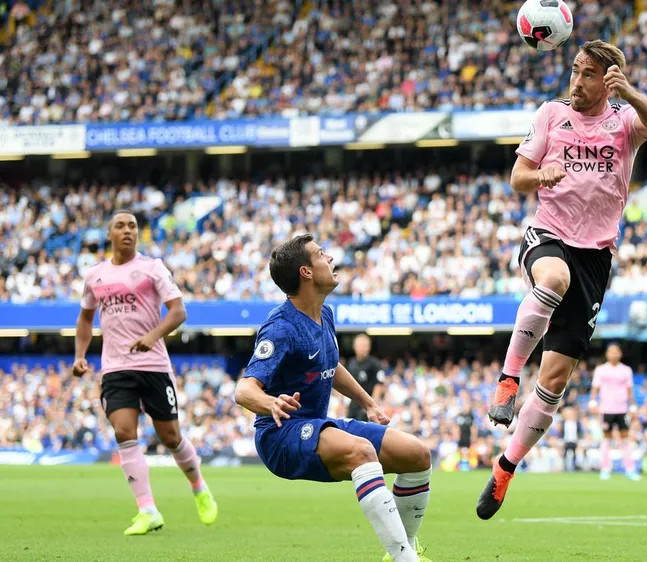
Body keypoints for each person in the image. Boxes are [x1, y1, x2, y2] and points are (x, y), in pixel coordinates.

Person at [478, 39, 647, 520]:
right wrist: (543, 175)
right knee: (553, 277)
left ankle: (505, 468)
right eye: (575, 70)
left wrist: (629, 92)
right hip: (549, 234)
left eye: (588, 75)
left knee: (556, 380)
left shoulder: (624, 121)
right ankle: (506, 381)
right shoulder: (550, 114)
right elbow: (517, 178)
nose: (577, 81)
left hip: (596, 258)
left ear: (608, 81)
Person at [234, 234, 432, 562]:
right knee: (361, 452)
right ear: (306, 272)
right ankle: (403, 558)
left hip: (317, 424)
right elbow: (244, 390)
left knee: (416, 455)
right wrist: (271, 403)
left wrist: (368, 402)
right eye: (321, 255)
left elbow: (330, 364)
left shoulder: (324, 314)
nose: (331, 259)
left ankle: (406, 546)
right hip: (280, 435)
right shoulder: (280, 328)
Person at [72, 210, 218, 535]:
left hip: (153, 366)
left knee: (171, 437)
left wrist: (152, 336)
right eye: (120, 226)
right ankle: (147, 509)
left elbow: (178, 311)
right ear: (109, 234)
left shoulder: (152, 268)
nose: (128, 231)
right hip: (115, 368)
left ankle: (198, 487)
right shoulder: (95, 275)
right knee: (124, 432)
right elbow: (85, 318)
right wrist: (80, 355)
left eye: (133, 226)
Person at [588, 343, 639, 480]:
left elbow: (630, 391)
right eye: (611, 351)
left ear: (620, 354)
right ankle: (605, 469)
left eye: (616, 351)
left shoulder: (626, 370)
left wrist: (633, 407)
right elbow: (595, 388)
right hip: (606, 409)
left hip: (622, 409)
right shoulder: (601, 370)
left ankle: (630, 469)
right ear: (607, 354)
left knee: (625, 439)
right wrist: (592, 402)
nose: (614, 354)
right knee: (606, 439)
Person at [346, 334, 386, 422]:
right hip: (354, 403)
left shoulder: (375, 363)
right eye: (360, 345)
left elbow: (379, 385)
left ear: (369, 347)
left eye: (364, 346)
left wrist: (372, 406)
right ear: (354, 347)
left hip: (367, 404)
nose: (362, 348)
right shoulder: (351, 363)